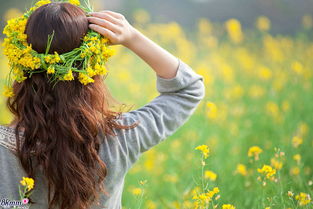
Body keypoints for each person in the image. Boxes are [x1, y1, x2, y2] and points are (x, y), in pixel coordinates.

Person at [0, 2, 205, 209]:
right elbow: (188, 90)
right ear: (93, 66)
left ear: (22, 65)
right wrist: (132, 37)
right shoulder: (122, 137)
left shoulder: (3, 150)